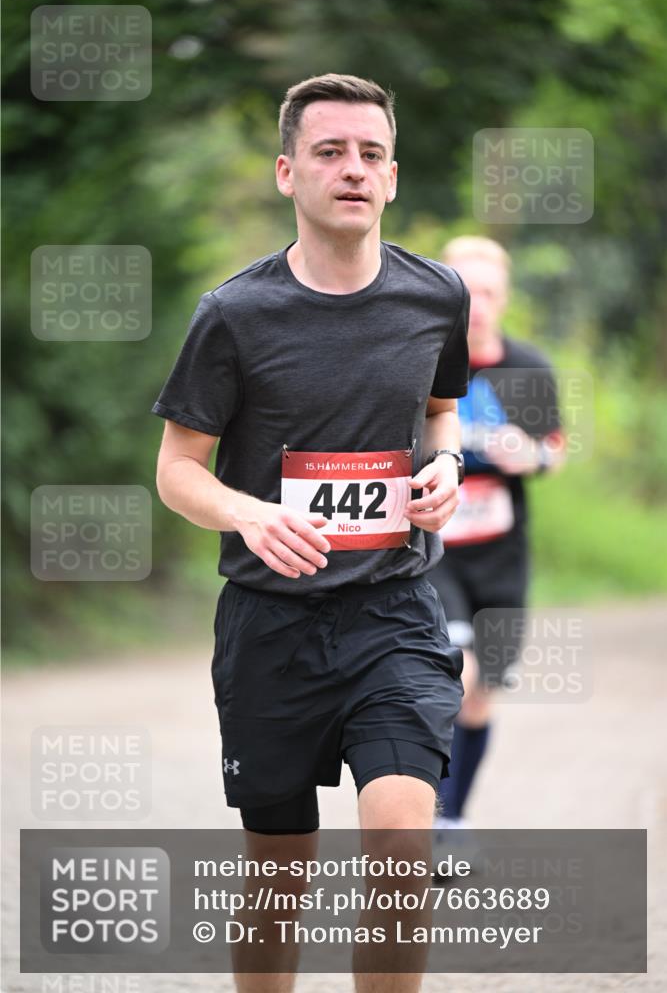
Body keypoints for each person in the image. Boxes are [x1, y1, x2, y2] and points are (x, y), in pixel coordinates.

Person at [152, 74, 469, 993]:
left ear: (394, 175)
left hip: (393, 613)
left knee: (402, 847)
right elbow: (176, 471)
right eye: (330, 151)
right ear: (287, 172)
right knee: (278, 877)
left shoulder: (435, 296)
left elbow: (441, 412)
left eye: (370, 153)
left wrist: (444, 467)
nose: (352, 169)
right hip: (270, 628)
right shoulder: (233, 314)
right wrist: (251, 513)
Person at [428, 236, 566, 832]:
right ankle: (434, 821)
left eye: (487, 292)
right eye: (465, 291)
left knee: (483, 692)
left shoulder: (528, 369)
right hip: (435, 554)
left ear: (504, 298)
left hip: (501, 555)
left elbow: (555, 451)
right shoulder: (423, 362)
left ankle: (452, 816)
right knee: (455, 675)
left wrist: (528, 455)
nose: (476, 305)